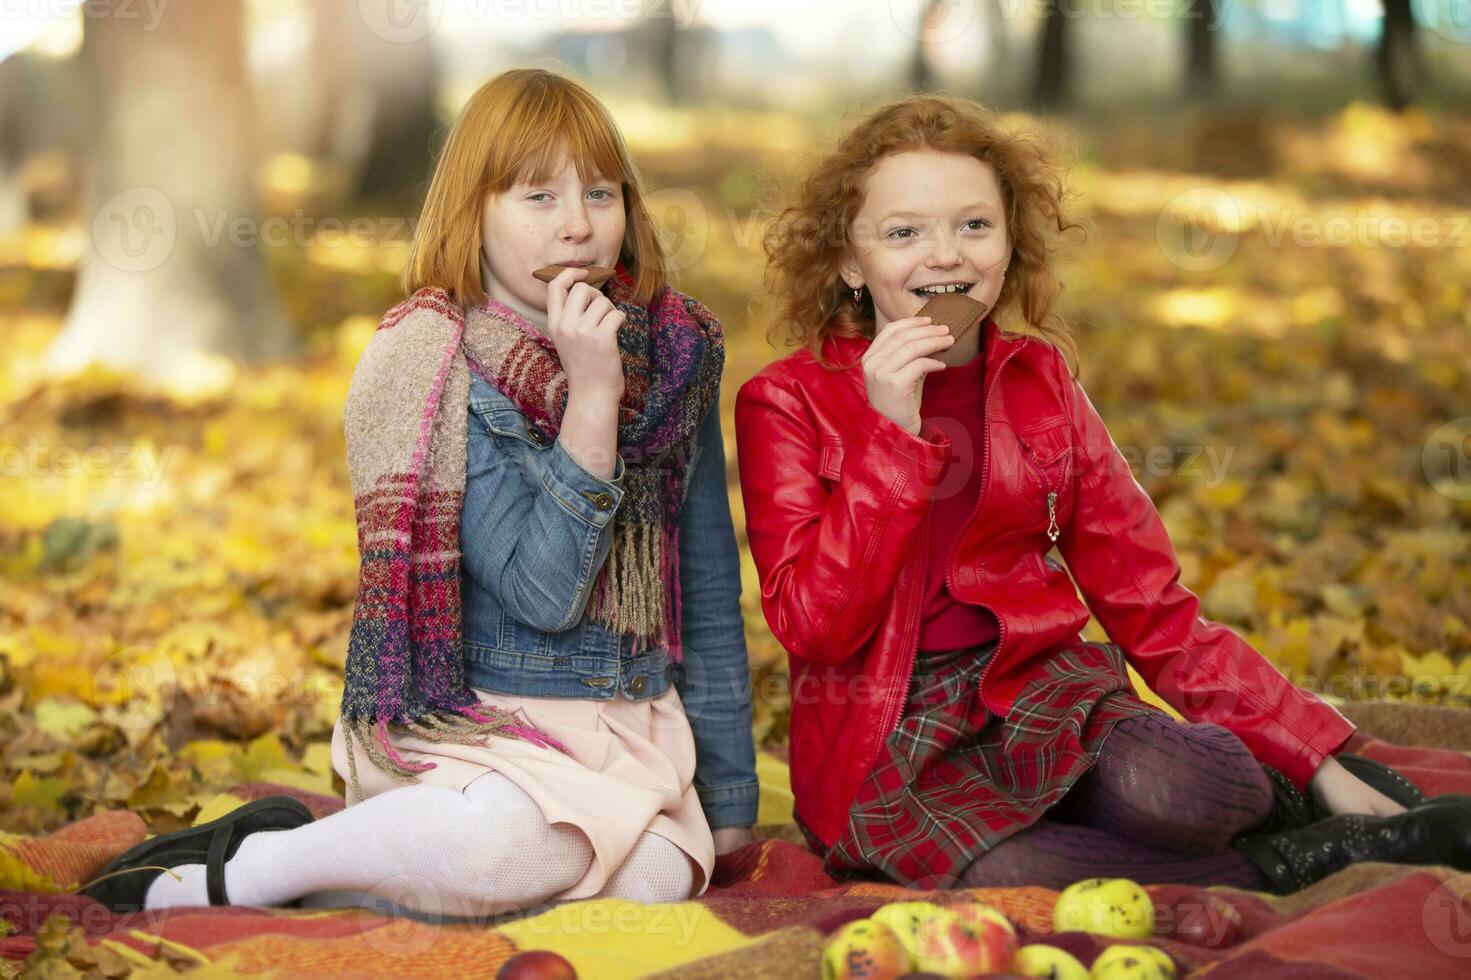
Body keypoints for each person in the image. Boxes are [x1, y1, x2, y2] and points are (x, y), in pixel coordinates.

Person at [733, 93, 1471, 896]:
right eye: (903, 232)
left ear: (1010, 244)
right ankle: (1295, 860)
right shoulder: (786, 400)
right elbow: (815, 626)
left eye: (974, 225)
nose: (943, 255)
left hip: (1033, 686)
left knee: (1193, 793)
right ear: (849, 260)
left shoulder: (1039, 383)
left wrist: (1317, 758)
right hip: (885, 728)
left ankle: (1297, 804)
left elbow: (1149, 602)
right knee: (1008, 873)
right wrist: (889, 440)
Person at [81, 68, 757, 918]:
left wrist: (729, 795)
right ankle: (244, 872)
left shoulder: (675, 357)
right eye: (536, 197)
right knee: (500, 854)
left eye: (599, 192)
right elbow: (542, 594)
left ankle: (338, 869)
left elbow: (705, 589)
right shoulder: (435, 365)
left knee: (653, 883)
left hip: (628, 727)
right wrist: (592, 404)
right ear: (471, 213)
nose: (579, 227)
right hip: (480, 726)